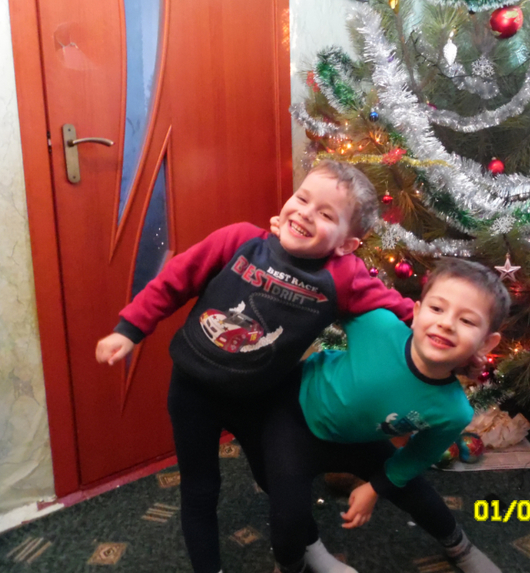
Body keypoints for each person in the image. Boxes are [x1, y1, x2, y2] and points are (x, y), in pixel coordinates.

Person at [95, 160, 414, 573]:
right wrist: (130, 329)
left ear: (347, 244)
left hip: (261, 400)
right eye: (302, 199)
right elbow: (175, 278)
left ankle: (311, 549)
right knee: (200, 489)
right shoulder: (240, 240)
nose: (305, 213)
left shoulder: (345, 277)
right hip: (193, 390)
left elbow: (401, 311)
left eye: (325, 214)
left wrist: (455, 337)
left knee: (281, 482)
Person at [261, 258, 510, 573]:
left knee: (417, 491)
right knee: (287, 517)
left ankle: (459, 546)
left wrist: (375, 487)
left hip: (358, 440)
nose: (447, 324)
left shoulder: (453, 411)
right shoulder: (378, 326)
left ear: (487, 343)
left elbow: (419, 456)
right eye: (437, 309)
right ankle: (291, 566)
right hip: (294, 420)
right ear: (416, 312)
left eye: (467, 321)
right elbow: (333, 291)